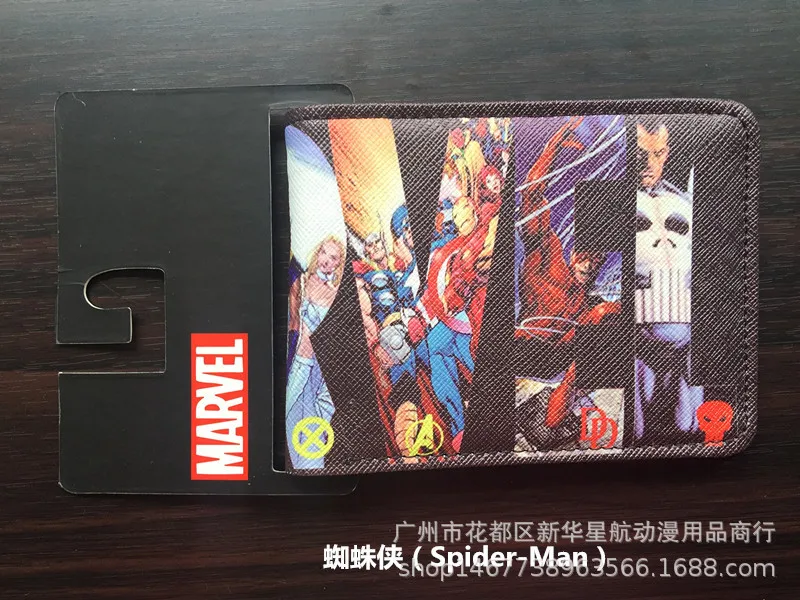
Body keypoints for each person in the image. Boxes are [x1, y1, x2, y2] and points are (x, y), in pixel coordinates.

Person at [516, 117, 620, 429]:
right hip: (525, 350)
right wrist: (553, 146)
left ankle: (558, 415)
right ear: (573, 253)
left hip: (557, 366)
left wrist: (606, 311)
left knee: (605, 315)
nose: (588, 265)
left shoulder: (588, 301)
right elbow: (531, 195)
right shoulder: (546, 257)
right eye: (584, 257)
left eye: (596, 261)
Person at [634, 120, 702, 444]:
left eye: (658, 153)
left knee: (689, 429)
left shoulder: (685, 202)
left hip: (684, 336)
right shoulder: (609, 200)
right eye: (640, 153)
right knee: (633, 432)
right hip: (634, 342)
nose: (649, 163)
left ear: (667, 153)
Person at [285, 236, 344, 469]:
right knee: (291, 412)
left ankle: (312, 469)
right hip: (298, 361)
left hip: (319, 369)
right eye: (324, 253)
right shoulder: (301, 282)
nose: (326, 261)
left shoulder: (335, 293)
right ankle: (306, 468)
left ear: (338, 264)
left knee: (314, 418)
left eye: (333, 257)